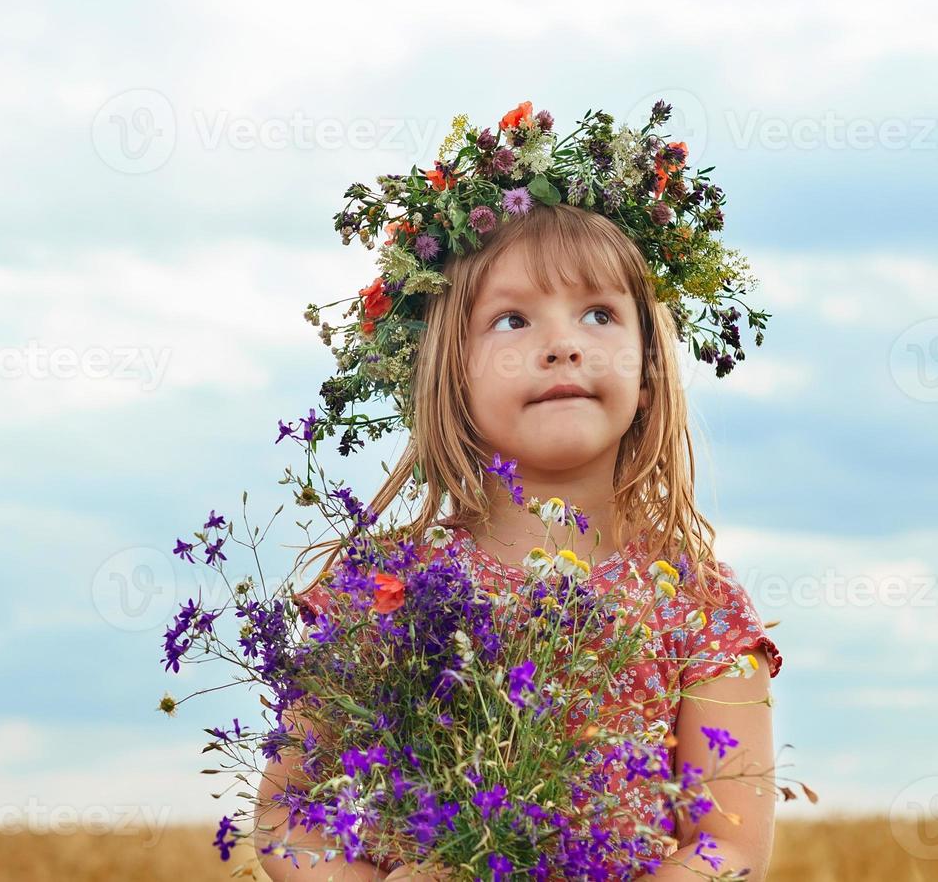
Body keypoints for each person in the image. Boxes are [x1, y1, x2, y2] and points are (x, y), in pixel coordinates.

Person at [253, 199, 782, 881]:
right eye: (513, 319)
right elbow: (286, 815)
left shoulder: (701, 602)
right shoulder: (383, 587)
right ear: (452, 376)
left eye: (599, 314)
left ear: (649, 372)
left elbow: (729, 848)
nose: (563, 343)